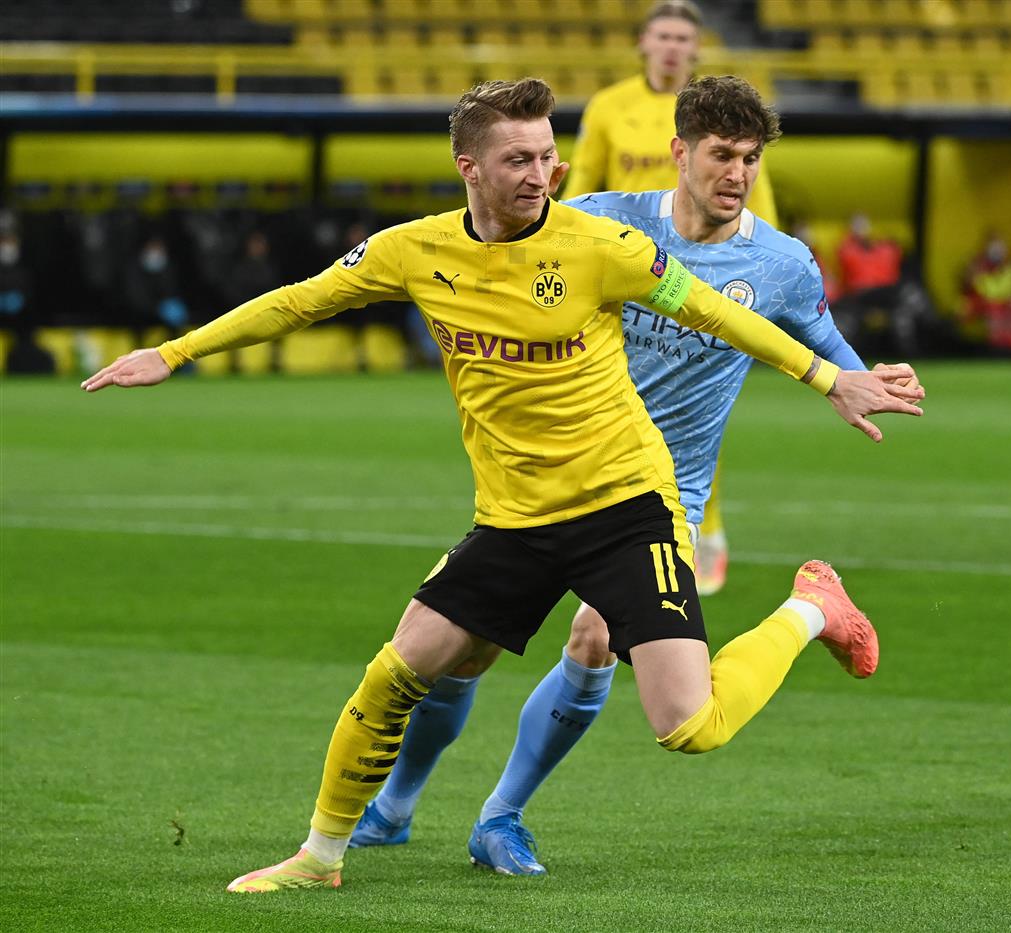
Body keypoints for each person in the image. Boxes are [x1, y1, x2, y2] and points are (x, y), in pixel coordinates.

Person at [81, 77, 924, 894]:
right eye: (518, 158)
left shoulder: (604, 247)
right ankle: (321, 853)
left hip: (629, 506)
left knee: (687, 725)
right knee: (402, 667)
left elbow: (715, 311)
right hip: (515, 517)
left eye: (548, 156)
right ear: (469, 168)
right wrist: (175, 353)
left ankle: (811, 607)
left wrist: (828, 377)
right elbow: (302, 301)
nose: (540, 174)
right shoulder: (416, 249)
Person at [348, 75, 913, 875]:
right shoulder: (602, 221)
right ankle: (396, 805)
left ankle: (501, 816)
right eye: (722, 155)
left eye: (751, 159)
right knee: (459, 646)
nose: (738, 174)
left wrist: (864, 380)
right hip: (552, 476)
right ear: (679, 151)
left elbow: (816, 335)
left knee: (595, 633)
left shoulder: (781, 262)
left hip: (658, 493)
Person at [562, 0, 781, 593]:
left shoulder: (723, 116)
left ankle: (703, 524)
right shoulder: (611, 107)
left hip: (702, 277)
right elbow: (585, 185)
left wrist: (770, 273)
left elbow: (758, 202)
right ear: (643, 43)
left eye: (683, 38)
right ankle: (614, 519)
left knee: (693, 407)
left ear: (695, 48)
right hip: (624, 276)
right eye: (662, 36)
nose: (672, 47)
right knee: (616, 402)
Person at [961, 230, 1011, 353]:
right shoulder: (978, 266)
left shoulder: (1009, 267)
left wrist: (1000, 298)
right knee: (992, 309)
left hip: (1003, 302)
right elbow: (981, 290)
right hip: (982, 303)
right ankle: (996, 349)